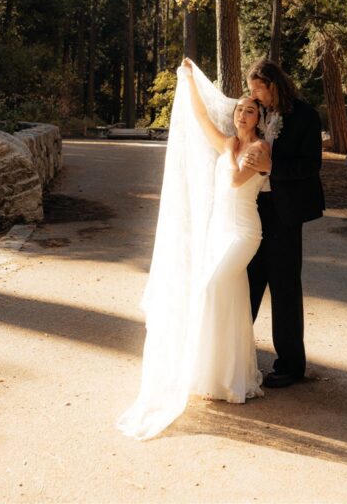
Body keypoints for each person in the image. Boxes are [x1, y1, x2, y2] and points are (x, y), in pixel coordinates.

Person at [118, 59, 272, 440]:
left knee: (210, 289)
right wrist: (187, 82)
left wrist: (237, 153)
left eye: (249, 110)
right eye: (239, 109)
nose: (241, 113)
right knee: (231, 298)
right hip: (220, 230)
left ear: (258, 118)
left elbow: (236, 180)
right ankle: (225, 377)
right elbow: (202, 120)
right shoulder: (229, 143)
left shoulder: (260, 149)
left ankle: (221, 372)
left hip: (244, 232)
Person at [246, 58, 324, 388]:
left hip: (286, 212)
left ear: (273, 85)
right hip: (252, 210)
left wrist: (271, 166)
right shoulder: (254, 114)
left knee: (285, 287)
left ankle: (291, 365)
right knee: (246, 283)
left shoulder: (305, 116)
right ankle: (234, 356)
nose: (254, 97)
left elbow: (310, 166)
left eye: (257, 90)